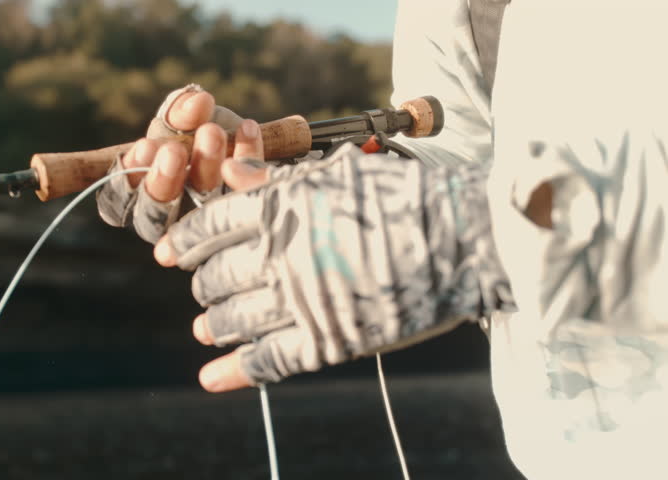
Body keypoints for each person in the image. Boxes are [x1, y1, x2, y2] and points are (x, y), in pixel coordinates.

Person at [96, 1, 668, 478]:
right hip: (571, 454)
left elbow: (483, 212)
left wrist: (485, 234)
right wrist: (286, 192)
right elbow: (468, 146)